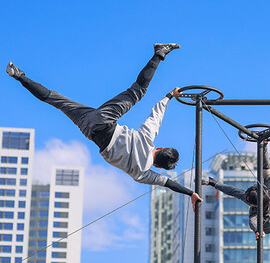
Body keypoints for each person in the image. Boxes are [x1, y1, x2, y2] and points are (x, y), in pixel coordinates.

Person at [6, 43, 202, 210]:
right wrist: (190, 193)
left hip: (105, 121)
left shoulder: (146, 139)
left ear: (159, 148)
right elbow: (168, 183)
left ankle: (159, 52)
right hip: (89, 130)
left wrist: (169, 96)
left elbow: (156, 115)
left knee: (138, 91)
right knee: (55, 100)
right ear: (158, 166)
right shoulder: (143, 174)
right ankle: (19, 76)